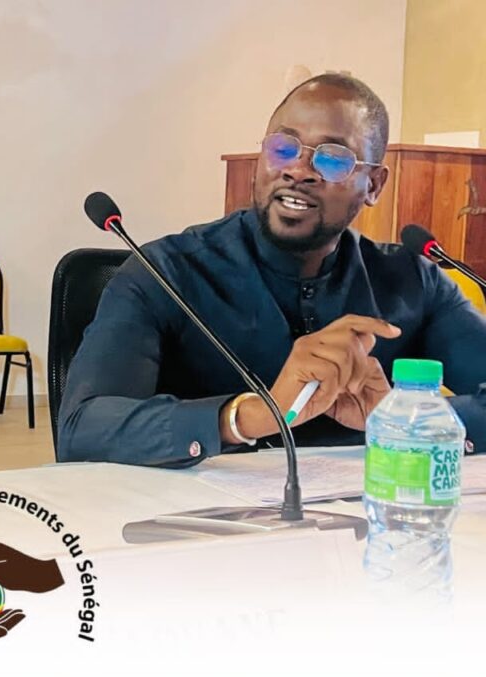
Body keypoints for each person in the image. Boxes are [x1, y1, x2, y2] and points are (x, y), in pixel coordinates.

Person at [58, 73, 486, 468]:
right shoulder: (165, 273)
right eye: (283, 147)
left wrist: (401, 421)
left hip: (372, 513)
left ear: (373, 184)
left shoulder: (413, 281)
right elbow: (83, 429)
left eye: (332, 158)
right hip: (196, 519)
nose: (298, 170)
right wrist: (250, 415)